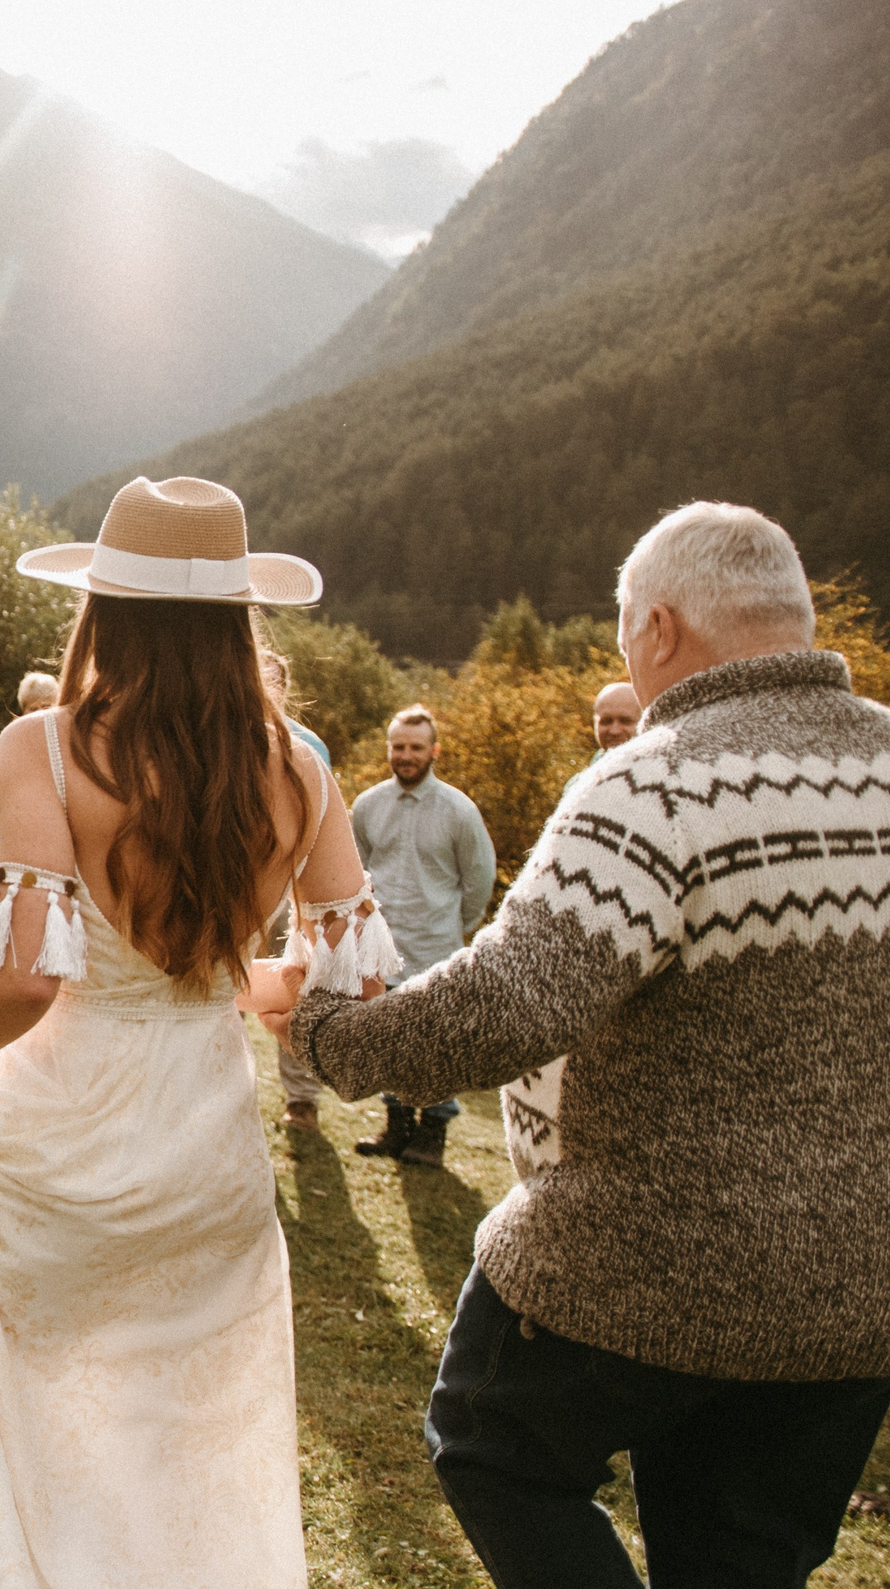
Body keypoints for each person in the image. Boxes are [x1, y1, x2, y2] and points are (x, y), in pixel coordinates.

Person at [274, 501, 890, 1588]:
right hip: (856, 1296)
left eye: (618, 626)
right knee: (742, 1562)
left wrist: (332, 1033)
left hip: (645, 1263)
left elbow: (508, 1004)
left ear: (654, 626)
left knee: (487, 1439)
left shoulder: (655, 784)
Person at [0, 476, 353, 1585]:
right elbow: (337, 983)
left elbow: (31, 978)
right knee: (180, 1440)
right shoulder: (303, 767)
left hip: (64, 1132)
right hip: (208, 1144)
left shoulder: (42, 748)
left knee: (41, 1414)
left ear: (103, 611)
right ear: (240, 620)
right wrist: (226, 985)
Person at [344, 705, 494, 1168]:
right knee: (389, 1042)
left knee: (434, 1045)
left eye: (416, 747)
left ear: (434, 751)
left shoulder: (458, 809)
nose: (406, 755)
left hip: (437, 948)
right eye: (399, 747)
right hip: (384, 948)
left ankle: (432, 1135)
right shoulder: (368, 805)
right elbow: (354, 873)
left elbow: (479, 880)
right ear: (389, 749)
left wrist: (455, 926)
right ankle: (397, 1127)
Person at [508, 677, 647, 1171]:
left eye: (624, 720)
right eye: (604, 720)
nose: (613, 730)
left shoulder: (657, 778)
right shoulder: (579, 784)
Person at [260, 651, 334, 1131]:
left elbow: (325, 821)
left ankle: (301, 1098)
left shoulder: (307, 747)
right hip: (237, 888)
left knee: (292, 984)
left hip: (289, 885)